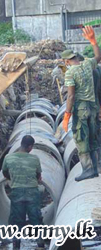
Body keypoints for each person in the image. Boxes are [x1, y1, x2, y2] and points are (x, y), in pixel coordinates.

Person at [61, 25, 101, 182]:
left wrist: (66, 116)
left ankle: (87, 169)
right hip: (93, 107)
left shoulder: (70, 72)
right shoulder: (87, 64)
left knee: (81, 139)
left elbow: (71, 96)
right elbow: (98, 57)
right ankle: (96, 168)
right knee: (93, 137)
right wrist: (93, 41)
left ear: (66, 61)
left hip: (81, 109)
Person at [3, 135, 45, 249]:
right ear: (30, 147)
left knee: (16, 221)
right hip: (32, 192)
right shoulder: (35, 158)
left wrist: (14, 178)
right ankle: (41, 244)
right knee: (36, 219)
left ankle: (16, 246)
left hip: (16, 192)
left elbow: (5, 173)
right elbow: (38, 176)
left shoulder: (8, 158)